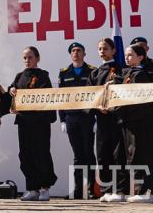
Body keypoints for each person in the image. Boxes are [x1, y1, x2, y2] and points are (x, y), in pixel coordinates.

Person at [111, 45, 153, 203]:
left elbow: (135, 101)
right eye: (126, 55)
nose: (127, 58)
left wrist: (120, 110)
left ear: (140, 57)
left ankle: (147, 192)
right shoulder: (127, 73)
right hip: (128, 121)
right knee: (133, 155)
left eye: (131, 55)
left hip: (139, 121)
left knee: (142, 154)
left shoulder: (141, 75)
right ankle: (140, 190)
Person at [8, 46, 57, 201]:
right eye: (25, 58)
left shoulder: (43, 76)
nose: (27, 60)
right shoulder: (19, 75)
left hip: (40, 122)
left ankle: (44, 187)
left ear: (37, 58)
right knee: (25, 154)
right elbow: (12, 88)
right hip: (24, 122)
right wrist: (11, 90)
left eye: (30, 57)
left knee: (41, 153)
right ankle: (32, 188)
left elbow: (47, 97)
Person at [88, 37, 127, 202]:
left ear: (113, 50)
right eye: (100, 49)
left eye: (105, 48)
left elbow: (125, 93)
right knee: (102, 155)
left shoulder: (121, 70)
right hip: (102, 120)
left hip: (117, 119)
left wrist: (113, 107)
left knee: (118, 154)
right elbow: (89, 96)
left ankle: (120, 190)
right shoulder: (94, 73)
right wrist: (98, 107)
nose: (102, 51)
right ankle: (106, 190)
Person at [58, 42, 96, 199]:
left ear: (84, 53)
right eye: (73, 51)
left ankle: (91, 189)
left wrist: (96, 118)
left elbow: (97, 95)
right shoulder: (64, 73)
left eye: (79, 50)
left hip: (88, 118)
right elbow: (60, 98)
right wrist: (62, 120)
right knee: (78, 155)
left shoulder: (92, 71)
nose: (76, 53)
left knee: (88, 153)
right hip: (71, 118)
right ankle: (78, 190)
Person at [129, 36, 153, 187]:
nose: (140, 48)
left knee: (152, 153)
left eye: (142, 46)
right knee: (135, 152)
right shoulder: (127, 68)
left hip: (152, 115)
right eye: (136, 47)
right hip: (133, 117)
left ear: (147, 49)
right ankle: (139, 188)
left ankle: (152, 188)